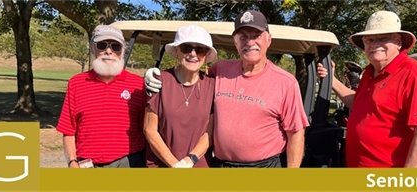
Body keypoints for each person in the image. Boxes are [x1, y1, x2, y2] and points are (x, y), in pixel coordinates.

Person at [145, 10, 308, 168]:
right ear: (235, 42)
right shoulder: (221, 70)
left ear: (268, 39)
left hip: (264, 166)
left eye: (256, 36)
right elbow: (192, 73)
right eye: (243, 37)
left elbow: (295, 133)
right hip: (221, 165)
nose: (250, 43)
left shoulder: (286, 83)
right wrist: (152, 75)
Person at [317, 10, 417, 167]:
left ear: (399, 42)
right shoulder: (369, 72)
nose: (375, 44)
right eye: (369, 40)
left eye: (383, 38)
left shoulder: (412, 72)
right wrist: (331, 79)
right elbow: (358, 103)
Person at [57, 25, 147, 168]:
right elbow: (68, 129)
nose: (109, 51)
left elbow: (148, 129)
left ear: (122, 51)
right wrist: (72, 161)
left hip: (129, 162)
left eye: (116, 46)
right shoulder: (76, 83)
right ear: (93, 48)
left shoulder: (139, 85)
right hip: (88, 164)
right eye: (102, 45)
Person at [144, 25, 216, 168]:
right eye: (186, 48)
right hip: (161, 165)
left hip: (198, 165)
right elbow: (149, 129)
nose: (193, 54)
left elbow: (210, 131)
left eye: (200, 49)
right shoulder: (159, 81)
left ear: (206, 55)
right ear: (177, 51)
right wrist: (174, 164)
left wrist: (190, 160)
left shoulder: (212, 85)